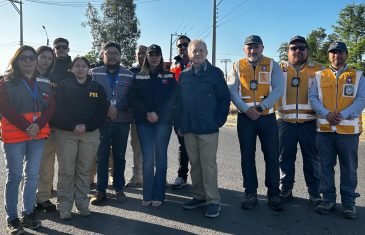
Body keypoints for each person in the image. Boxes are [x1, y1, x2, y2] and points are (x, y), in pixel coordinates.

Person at [0, 45, 55, 234]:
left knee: (32, 176)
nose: (29, 61)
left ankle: (27, 213)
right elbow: (4, 107)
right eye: (24, 58)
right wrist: (26, 126)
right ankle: (12, 219)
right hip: (15, 136)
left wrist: (37, 125)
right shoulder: (6, 81)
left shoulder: (44, 82)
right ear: (17, 60)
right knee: (14, 177)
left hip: (37, 135)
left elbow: (50, 107)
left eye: (32, 57)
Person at [227, 35, 284, 211]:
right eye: (249, 47)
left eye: (256, 47)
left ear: (262, 47)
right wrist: (245, 109)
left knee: (272, 156)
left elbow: (279, 89)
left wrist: (261, 108)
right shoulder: (237, 65)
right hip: (245, 118)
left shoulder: (272, 63)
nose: (252, 50)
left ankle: (273, 194)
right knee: (247, 157)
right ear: (244, 49)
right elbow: (231, 89)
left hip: (266, 117)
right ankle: (250, 193)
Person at [309, 41, 365, 219]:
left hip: (348, 132)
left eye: (340, 52)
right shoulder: (319, 76)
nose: (336, 55)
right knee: (325, 167)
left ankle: (348, 203)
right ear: (328, 56)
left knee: (349, 168)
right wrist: (326, 114)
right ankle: (328, 199)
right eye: (333, 52)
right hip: (325, 130)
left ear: (346, 55)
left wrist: (342, 114)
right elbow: (313, 97)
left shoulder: (357, 75)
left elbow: (361, 99)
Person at [176, 39, 230, 218]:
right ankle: (199, 196)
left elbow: (224, 99)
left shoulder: (215, 73)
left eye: (201, 50)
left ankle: (213, 200)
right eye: (194, 51)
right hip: (189, 128)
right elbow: (179, 103)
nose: (198, 53)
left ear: (206, 53)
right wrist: (179, 125)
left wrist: (219, 121)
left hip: (208, 128)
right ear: (189, 54)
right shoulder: (184, 75)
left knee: (208, 165)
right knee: (195, 165)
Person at [52, 57, 108, 220]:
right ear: (72, 69)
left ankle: (82, 204)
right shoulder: (64, 86)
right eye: (77, 66)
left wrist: (87, 126)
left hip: (89, 134)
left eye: (84, 66)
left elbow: (102, 110)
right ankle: (64, 206)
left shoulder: (97, 87)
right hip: (66, 133)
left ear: (88, 69)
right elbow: (58, 109)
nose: (81, 68)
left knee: (84, 170)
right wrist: (72, 126)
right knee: (67, 171)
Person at [277, 36, 323, 205]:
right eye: (293, 48)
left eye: (301, 48)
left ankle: (315, 192)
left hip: (309, 122)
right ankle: (286, 189)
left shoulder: (319, 69)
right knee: (284, 158)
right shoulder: (277, 69)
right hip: (285, 122)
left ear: (307, 51)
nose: (297, 51)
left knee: (312, 159)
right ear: (288, 51)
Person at [131, 44, 177, 207]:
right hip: (144, 122)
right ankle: (147, 194)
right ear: (146, 57)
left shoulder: (170, 76)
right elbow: (135, 98)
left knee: (161, 158)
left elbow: (171, 98)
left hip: (163, 122)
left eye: (157, 54)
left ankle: (159, 195)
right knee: (148, 158)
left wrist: (157, 113)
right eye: (151, 54)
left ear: (161, 56)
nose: (154, 57)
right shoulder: (138, 76)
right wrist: (148, 113)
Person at [89, 42, 134, 205]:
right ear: (103, 55)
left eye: (116, 53)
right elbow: (90, 95)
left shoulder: (129, 74)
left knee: (119, 156)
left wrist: (117, 108)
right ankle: (101, 191)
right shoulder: (93, 73)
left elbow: (131, 96)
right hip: (101, 120)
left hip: (122, 121)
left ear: (120, 55)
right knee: (101, 156)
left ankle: (119, 188)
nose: (112, 56)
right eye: (109, 53)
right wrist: (107, 108)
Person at [34, 46, 59, 212]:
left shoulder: (54, 78)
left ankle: (43, 198)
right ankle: (27, 202)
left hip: (49, 128)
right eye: (43, 57)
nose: (46, 61)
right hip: (26, 128)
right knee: (28, 168)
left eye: (49, 58)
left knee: (46, 165)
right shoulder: (22, 76)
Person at [170, 35, 192, 189]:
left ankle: (202, 179)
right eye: (180, 45)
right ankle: (182, 176)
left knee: (198, 146)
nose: (183, 47)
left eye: (185, 44)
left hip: (196, 111)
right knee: (182, 145)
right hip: (178, 112)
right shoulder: (174, 65)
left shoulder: (199, 61)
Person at [126, 45, 147, 188]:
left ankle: (152, 176)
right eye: (139, 53)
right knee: (137, 147)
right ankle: (137, 176)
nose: (141, 56)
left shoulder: (154, 71)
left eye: (144, 53)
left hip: (153, 117)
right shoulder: (130, 73)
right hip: (136, 117)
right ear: (135, 56)